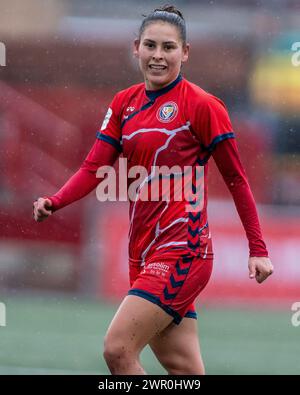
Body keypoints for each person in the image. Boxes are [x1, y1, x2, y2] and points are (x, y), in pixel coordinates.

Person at [33, 5, 274, 375]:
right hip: (143, 250)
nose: (158, 56)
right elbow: (94, 168)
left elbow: (237, 180)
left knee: (117, 350)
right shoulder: (123, 104)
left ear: (185, 52)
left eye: (168, 47)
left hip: (183, 252)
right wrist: (55, 200)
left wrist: (257, 249)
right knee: (183, 370)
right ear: (136, 48)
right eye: (151, 45)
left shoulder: (204, 106)